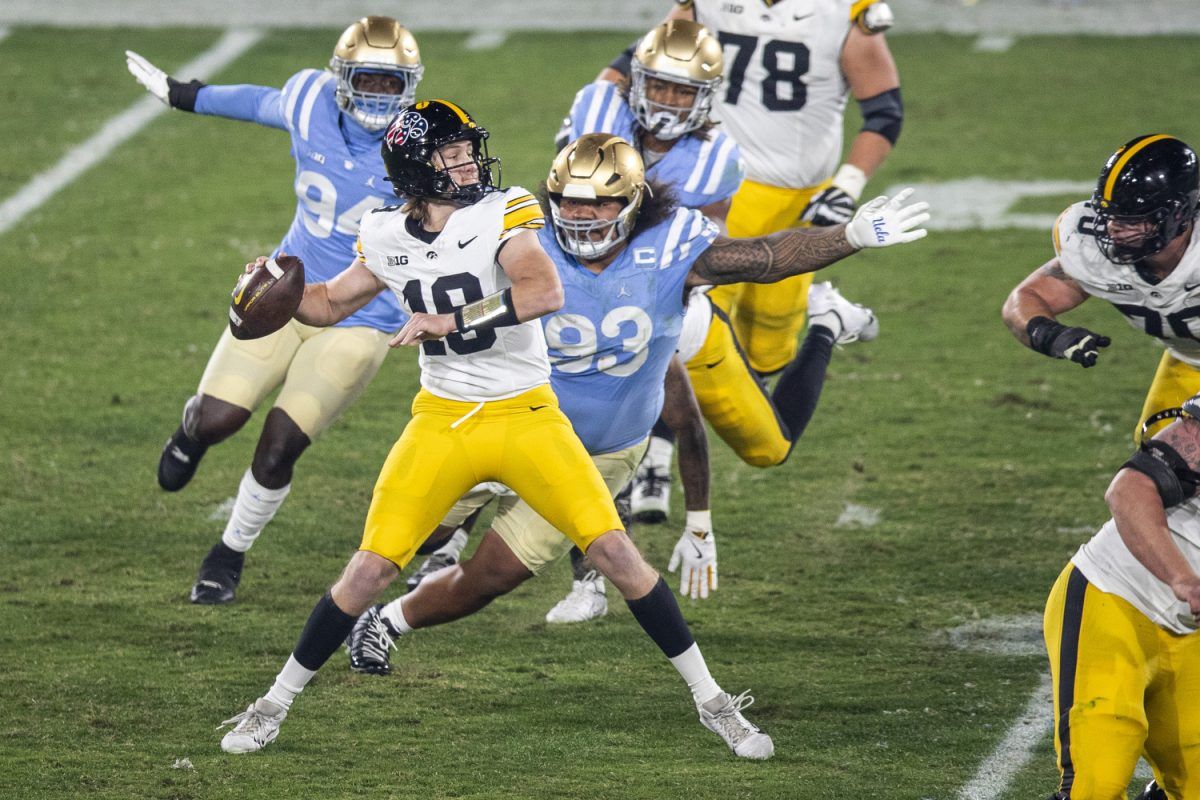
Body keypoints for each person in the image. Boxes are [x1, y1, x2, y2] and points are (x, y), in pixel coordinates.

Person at [217, 108, 920, 760]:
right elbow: (329, 301)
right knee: (368, 568)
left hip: (529, 415)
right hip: (444, 419)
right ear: (417, 171)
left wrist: (849, 237)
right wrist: (266, 299)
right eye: (454, 157)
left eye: (468, 155)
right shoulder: (384, 233)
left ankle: (715, 705)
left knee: (615, 554)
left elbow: (550, 290)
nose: (470, 167)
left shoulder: (507, 212)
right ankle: (271, 704)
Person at [124, 17, 423, 604]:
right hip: (285, 291)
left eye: (392, 84)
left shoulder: (427, 143)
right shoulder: (312, 100)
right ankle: (191, 436)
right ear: (343, 79)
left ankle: (228, 552)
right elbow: (261, 103)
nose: (379, 95)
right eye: (368, 80)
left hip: (364, 318)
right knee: (215, 419)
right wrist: (185, 95)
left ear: (410, 86)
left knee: (281, 441)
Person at [599, 0, 902, 519]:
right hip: (719, 188)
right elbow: (643, 58)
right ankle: (653, 457)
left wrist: (847, 184)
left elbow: (884, 110)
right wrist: (596, 113)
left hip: (800, 197)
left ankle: (825, 323)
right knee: (674, 315)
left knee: (764, 352)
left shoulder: (846, 13)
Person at [1043, 395, 1200, 800]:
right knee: (1097, 784)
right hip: (1115, 597)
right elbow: (1129, 491)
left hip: (1190, 630)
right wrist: (1183, 578)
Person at [1002, 134, 1200, 443]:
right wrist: (1051, 334)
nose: (1113, 229)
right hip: (1190, 359)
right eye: (1110, 216)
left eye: (1132, 219)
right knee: (1160, 459)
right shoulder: (1093, 251)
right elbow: (1026, 298)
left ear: (1177, 215)